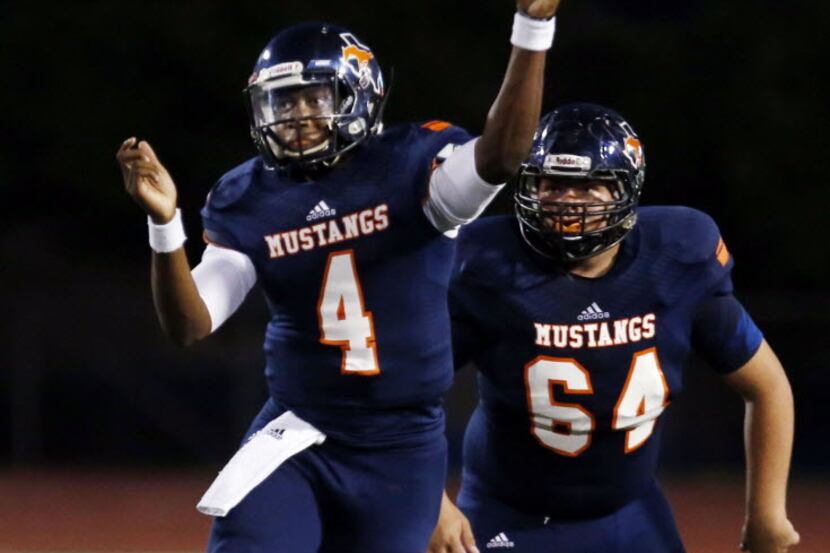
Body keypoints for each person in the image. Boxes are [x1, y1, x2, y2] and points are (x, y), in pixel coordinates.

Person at [116, 2, 563, 552]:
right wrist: (164, 226)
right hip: (300, 432)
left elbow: (502, 156)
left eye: (312, 98)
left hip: (402, 448)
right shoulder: (249, 197)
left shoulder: (412, 166)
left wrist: (532, 29)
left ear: (358, 96)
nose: (296, 115)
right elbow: (191, 324)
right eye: (281, 102)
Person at [428, 103, 800, 553]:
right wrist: (432, 501)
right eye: (553, 184)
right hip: (510, 516)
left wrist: (767, 514)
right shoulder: (487, 266)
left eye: (588, 186)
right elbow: (401, 397)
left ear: (627, 190)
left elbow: (768, 388)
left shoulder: (676, 260)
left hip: (631, 513)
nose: (567, 201)